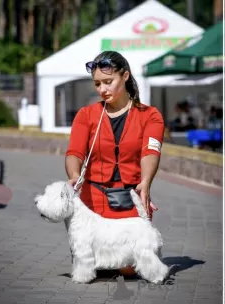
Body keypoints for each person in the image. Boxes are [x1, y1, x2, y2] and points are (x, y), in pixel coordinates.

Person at [65, 51, 165, 276]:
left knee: (128, 271)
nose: (102, 89)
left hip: (129, 199)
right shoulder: (86, 115)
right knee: (97, 267)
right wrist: (74, 175)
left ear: (126, 76)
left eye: (108, 82)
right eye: (97, 84)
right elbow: (74, 152)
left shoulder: (150, 115)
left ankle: (148, 253)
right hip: (94, 203)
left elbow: (151, 151)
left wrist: (146, 182)